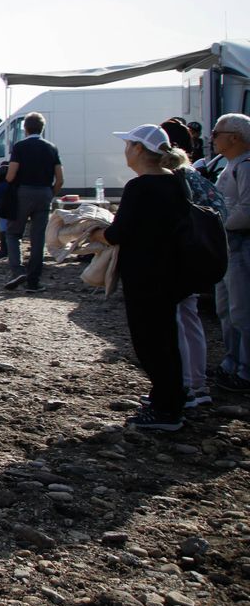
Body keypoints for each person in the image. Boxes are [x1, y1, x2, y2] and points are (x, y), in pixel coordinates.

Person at [90, 125, 195, 430]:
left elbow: (119, 232)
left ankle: (166, 409)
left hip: (146, 274)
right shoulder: (176, 182)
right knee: (166, 338)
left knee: (150, 341)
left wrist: (97, 232)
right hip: (171, 271)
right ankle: (170, 397)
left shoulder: (141, 187)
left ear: (138, 150)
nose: (125, 150)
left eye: (128, 145)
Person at [161, 123, 224, 410]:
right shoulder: (193, 174)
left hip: (180, 257)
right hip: (197, 256)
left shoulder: (174, 179)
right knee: (190, 318)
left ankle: (189, 386)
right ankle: (196, 384)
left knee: (179, 321)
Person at [210, 113, 250, 394]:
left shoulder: (245, 165)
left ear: (234, 138)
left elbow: (247, 209)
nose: (212, 138)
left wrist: (218, 225)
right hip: (229, 245)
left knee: (241, 310)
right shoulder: (233, 164)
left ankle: (245, 371)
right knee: (227, 309)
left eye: (216, 133)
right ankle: (231, 363)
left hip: (240, 244)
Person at [3, 111, 63, 292]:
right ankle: (33, 281)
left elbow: (11, 175)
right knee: (38, 239)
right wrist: (50, 193)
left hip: (24, 192)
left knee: (13, 233)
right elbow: (60, 179)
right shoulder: (52, 148)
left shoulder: (20, 147)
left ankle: (18, 271)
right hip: (44, 192)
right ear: (42, 128)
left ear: (25, 128)